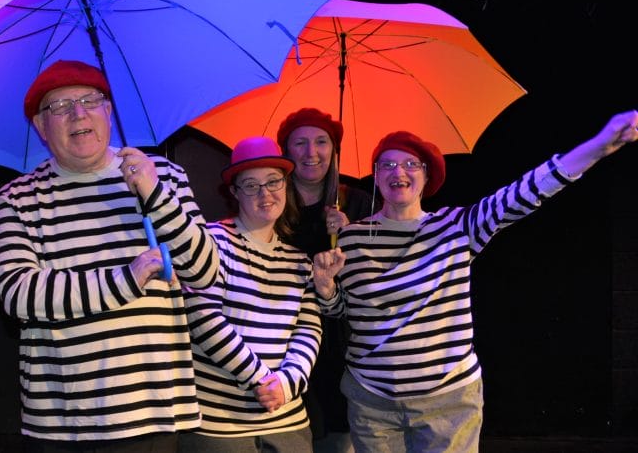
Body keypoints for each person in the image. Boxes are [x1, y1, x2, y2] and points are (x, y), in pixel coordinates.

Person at [312, 110, 638, 452]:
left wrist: (597, 147)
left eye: (411, 164)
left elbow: (523, 194)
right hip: (372, 402)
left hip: (447, 402)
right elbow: (344, 311)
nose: (399, 172)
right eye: (388, 165)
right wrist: (326, 288)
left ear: (427, 176)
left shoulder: (456, 227)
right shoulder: (350, 239)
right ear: (376, 176)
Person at [0, 59, 221, 452]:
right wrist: (124, 280)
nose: (77, 114)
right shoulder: (19, 196)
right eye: (59, 107)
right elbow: (17, 294)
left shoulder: (162, 175)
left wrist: (154, 194)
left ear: (109, 111)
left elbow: (204, 271)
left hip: (152, 412)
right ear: (40, 127)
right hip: (62, 424)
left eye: (89, 100)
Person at [180, 136, 345, 452]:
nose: (265, 193)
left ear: (286, 186)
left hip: (288, 424)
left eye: (273, 182)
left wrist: (286, 383)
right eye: (251, 185)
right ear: (234, 192)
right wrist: (259, 379)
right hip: (220, 427)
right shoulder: (211, 242)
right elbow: (202, 318)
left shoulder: (299, 260)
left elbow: (309, 329)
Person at [275, 107, 372, 452]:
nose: (310, 152)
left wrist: (349, 234)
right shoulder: (273, 201)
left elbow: (375, 275)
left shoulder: (357, 202)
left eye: (320, 142)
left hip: (341, 336)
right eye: (299, 143)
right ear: (286, 151)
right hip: (287, 332)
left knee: (339, 434)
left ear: (334, 149)